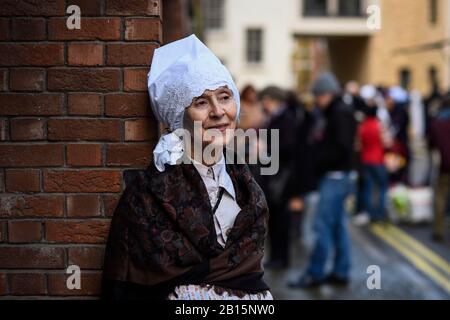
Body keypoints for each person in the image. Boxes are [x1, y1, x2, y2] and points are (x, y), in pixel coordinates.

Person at [101, 34, 273, 300]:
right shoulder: (148, 198)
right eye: (201, 102)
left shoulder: (249, 192)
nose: (218, 112)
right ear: (178, 117)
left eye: (224, 97)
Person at [288, 72, 356, 288]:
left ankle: (315, 274)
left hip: (334, 176)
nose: (316, 100)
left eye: (317, 96)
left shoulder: (338, 113)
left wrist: (318, 160)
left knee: (322, 226)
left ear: (326, 94)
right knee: (337, 226)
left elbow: (341, 148)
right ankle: (340, 271)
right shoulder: (336, 111)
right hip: (337, 175)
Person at [258, 86, 297, 269]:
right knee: (275, 218)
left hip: (280, 176)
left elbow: (288, 147)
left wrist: (265, 147)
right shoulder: (277, 117)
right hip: (274, 174)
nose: (265, 103)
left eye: (266, 99)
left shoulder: (286, 118)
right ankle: (276, 257)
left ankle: (281, 258)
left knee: (281, 220)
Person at [358, 105, 389, 223]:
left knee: (368, 188)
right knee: (382, 187)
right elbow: (386, 141)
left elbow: (359, 143)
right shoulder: (378, 125)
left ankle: (369, 212)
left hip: (365, 159)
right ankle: (379, 213)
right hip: (378, 159)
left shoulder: (363, 126)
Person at [428, 93, 450, 242]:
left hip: (443, 165)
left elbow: (431, 143)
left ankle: (438, 229)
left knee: (440, 198)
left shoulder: (436, 122)